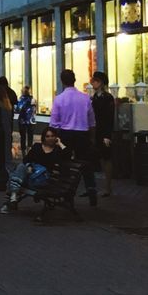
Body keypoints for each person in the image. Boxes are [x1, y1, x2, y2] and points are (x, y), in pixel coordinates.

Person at [49, 69, 97, 206]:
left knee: (65, 163)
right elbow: (92, 121)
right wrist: (92, 138)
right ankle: (91, 189)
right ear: (74, 80)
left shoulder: (59, 99)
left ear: (62, 81)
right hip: (82, 133)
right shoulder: (85, 98)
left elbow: (54, 122)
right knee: (86, 164)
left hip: (66, 133)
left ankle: (66, 192)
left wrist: (55, 138)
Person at [1, 126, 71, 211]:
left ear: (56, 137)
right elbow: (26, 159)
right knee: (21, 167)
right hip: (31, 175)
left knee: (14, 176)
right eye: (47, 136)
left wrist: (60, 143)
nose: (50, 138)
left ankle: (12, 198)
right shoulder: (37, 147)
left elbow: (68, 155)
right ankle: (13, 198)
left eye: (52, 136)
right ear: (44, 138)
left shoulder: (57, 150)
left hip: (42, 179)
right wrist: (29, 166)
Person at [91, 70, 116, 197]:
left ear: (101, 83)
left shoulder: (107, 98)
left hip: (103, 131)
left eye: (95, 81)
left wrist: (107, 135)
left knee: (106, 158)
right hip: (96, 131)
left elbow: (109, 118)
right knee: (100, 158)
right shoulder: (94, 97)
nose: (93, 83)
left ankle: (108, 187)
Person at [15, 86, 36, 159]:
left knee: (23, 136)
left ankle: (25, 153)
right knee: (29, 135)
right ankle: (28, 151)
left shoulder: (21, 99)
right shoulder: (32, 99)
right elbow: (34, 109)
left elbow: (18, 109)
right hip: (29, 119)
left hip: (23, 119)